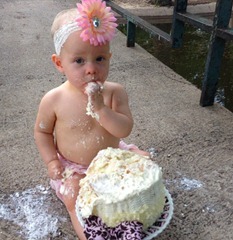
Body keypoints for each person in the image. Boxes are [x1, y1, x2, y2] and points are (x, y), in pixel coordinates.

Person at [34, 0, 149, 239]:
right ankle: (88, 233)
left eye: (99, 59)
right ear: (59, 63)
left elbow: (124, 129)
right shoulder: (54, 99)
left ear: (109, 57)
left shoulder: (114, 92)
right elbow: (42, 132)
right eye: (79, 61)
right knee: (73, 195)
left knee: (143, 173)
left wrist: (101, 109)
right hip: (75, 168)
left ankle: (129, 222)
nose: (91, 69)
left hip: (112, 161)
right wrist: (51, 162)